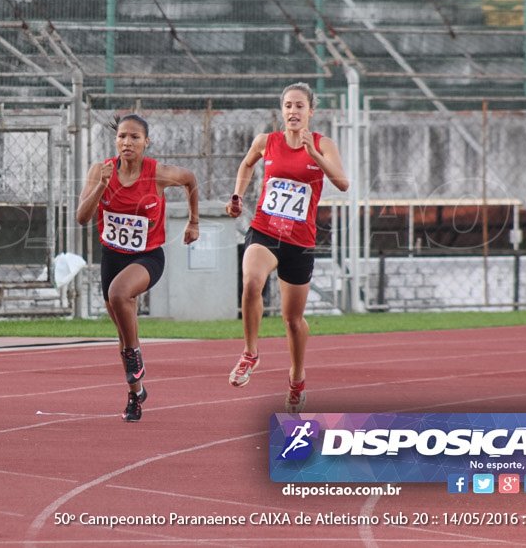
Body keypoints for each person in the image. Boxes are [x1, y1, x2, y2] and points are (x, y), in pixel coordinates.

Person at [224, 82, 348, 413]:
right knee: (251, 282)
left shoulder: (323, 144)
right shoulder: (267, 142)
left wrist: (315, 155)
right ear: (282, 110)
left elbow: (342, 183)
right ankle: (251, 352)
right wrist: (238, 195)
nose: (293, 111)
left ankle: (296, 376)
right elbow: (247, 164)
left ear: (311, 111)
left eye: (299, 106)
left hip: (300, 241)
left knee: (292, 320)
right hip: (265, 230)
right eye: (288, 105)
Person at [76, 113, 200, 422]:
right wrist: (101, 186)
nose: (127, 142)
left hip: (147, 258)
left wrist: (193, 221)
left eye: (134, 137)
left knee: (120, 294)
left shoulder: (158, 173)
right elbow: (82, 217)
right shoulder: (100, 171)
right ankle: (136, 395)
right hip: (112, 257)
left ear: (146, 142)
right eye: (122, 136)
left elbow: (190, 180)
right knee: (122, 332)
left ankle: (135, 354)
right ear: (115, 140)